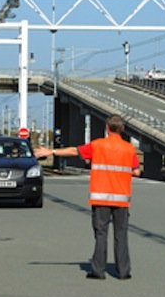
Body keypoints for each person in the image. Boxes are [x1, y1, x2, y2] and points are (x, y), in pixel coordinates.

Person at [34, 114, 141, 281]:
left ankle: (98, 270)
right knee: (121, 235)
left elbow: (74, 151)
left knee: (101, 234)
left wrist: (51, 151)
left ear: (107, 128)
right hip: (121, 199)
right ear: (122, 129)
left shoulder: (97, 145)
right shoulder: (129, 149)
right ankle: (123, 271)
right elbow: (136, 171)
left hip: (100, 198)